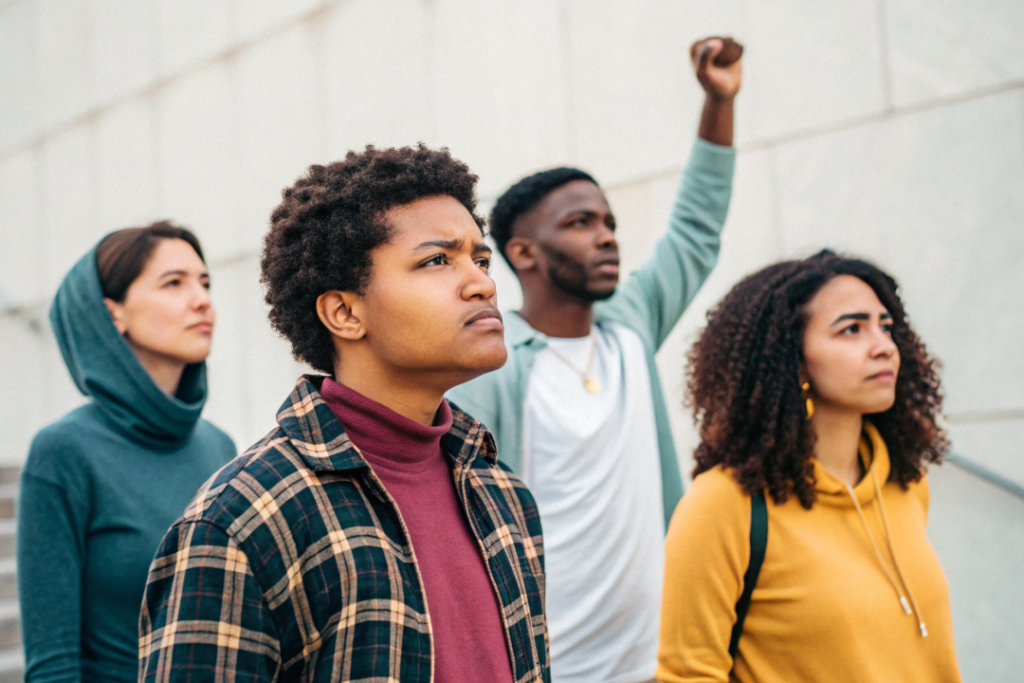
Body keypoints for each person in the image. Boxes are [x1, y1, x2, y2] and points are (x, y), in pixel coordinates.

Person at [138, 145, 548, 682]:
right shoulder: (241, 521)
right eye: (436, 260)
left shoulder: (503, 495)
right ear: (345, 312)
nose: (482, 283)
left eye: (480, 258)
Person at [447, 37, 742, 683]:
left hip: (663, 661)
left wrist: (719, 102)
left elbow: (696, 229)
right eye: (580, 222)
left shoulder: (630, 328)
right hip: (552, 666)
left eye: (607, 219)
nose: (607, 234)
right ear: (523, 252)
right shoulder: (491, 369)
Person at [655, 251, 962, 682]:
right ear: (791, 358)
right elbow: (689, 674)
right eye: (852, 329)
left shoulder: (905, 483)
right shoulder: (723, 504)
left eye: (886, 326)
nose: (884, 348)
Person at [17, 223, 237, 683]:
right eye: (174, 283)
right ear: (112, 313)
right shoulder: (63, 452)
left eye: (205, 282)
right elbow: (52, 662)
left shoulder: (220, 446)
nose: (201, 300)